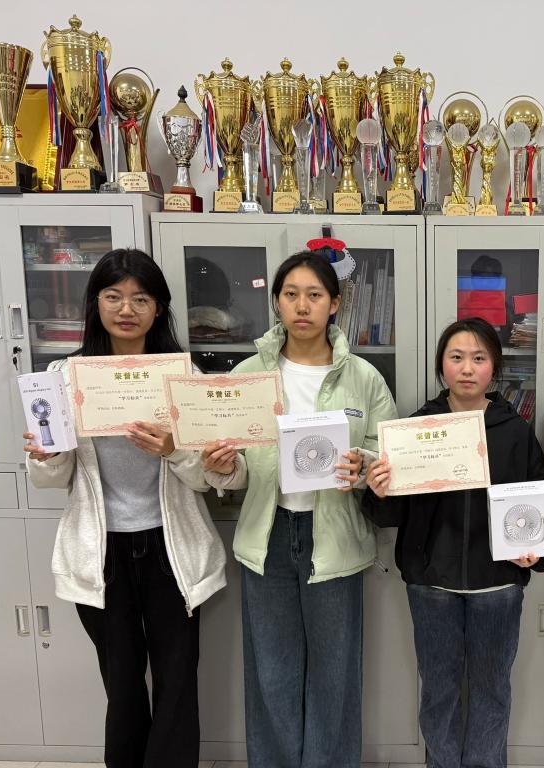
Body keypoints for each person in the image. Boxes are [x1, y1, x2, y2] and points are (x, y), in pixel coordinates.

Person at [24, 248, 227, 768]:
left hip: (169, 547)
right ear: (95, 304)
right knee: (122, 680)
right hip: (101, 550)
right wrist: (47, 455)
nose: (126, 309)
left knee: (177, 677)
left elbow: (207, 479)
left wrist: (175, 450)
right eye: (113, 296)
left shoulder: (185, 377)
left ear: (159, 309)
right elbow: (52, 479)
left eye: (141, 298)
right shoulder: (63, 378)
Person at [200, 249, 397, 768]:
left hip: (334, 538)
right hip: (267, 538)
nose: (302, 306)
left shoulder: (363, 378)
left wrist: (365, 467)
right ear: (277, 302)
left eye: (314, 295)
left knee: (335, 674)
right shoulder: (248, 374)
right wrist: (221, 467)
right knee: (272, 672)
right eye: (291, 295)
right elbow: (239, 467)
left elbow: (385, 457)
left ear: (335, 303)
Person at [364, 317, 544, 768]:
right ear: (441, 366)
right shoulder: (416, 430)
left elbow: (540, 501)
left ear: (494, 367)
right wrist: (379, 491)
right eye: (456, 357)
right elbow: (390, 516)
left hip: (498, 584)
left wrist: (537, 552)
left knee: (492, 688)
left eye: (479, 358)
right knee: (439, 689)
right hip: (432, 584)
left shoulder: (515, 431)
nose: (467, 368)